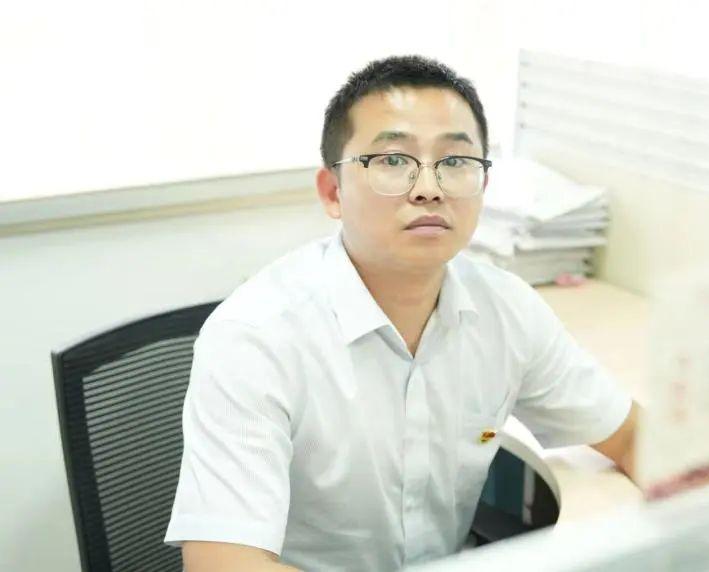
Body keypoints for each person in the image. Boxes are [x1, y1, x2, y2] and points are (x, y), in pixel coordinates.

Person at [165, 54, 639, 572]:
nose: (429, 188)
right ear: (332, 192)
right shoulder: (255, 337)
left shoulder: (506, 309)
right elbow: (221, 564)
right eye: (393, 160)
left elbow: (633, 435)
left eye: (455, 162)